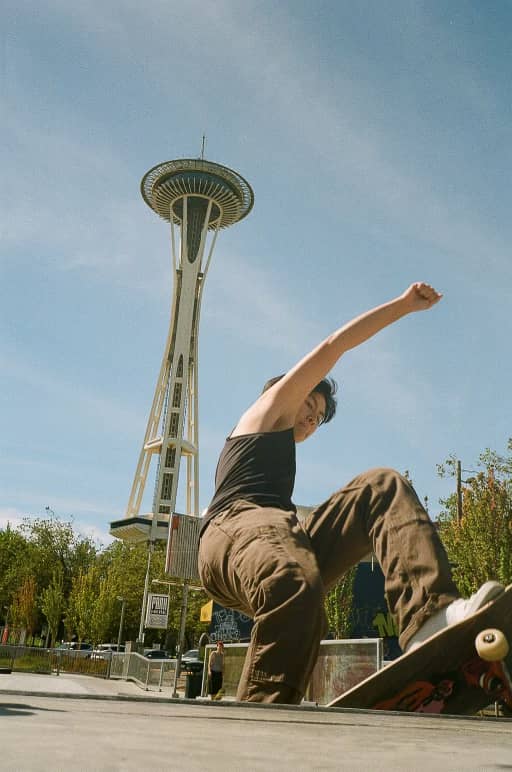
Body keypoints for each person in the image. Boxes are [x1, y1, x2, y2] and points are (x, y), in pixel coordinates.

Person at [198, 282, 503, 705]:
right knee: (290, 574)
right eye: (309, 405)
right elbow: (333, 345)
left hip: (277, 538)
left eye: (318, 418)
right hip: (233, 530)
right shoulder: (264, 413)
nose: (310, 418)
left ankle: (429, 617)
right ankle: (262, 715)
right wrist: (403, 306)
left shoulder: (283, 463)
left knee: (380, 487)